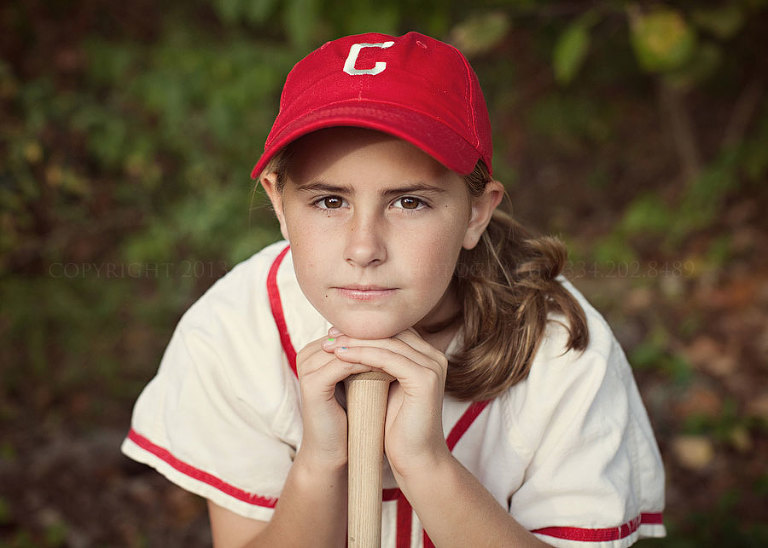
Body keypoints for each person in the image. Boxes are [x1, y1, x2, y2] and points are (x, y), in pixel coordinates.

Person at [122, 31, 666, 547]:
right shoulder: (235, 329)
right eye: (329, 201)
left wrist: (426, 463)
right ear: (279, 203)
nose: (364, 249)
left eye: (410, 202)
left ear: (476, 211)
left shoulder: (559, 344)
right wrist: (319, 462)